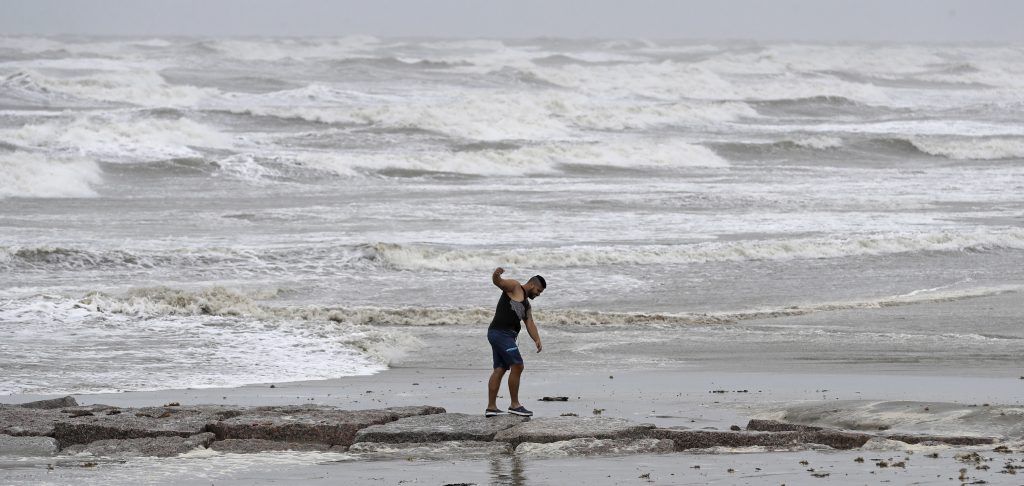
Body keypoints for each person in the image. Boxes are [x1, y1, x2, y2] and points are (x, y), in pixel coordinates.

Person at [485, 267, 546, 417]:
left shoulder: (526, 304)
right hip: (500, 333)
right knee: (518, 365)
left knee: (500, 369)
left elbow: (530, 322)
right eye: (538, 291)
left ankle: (491, 408)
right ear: (532, 285)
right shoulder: (514, 286)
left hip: (503, 335)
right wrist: (496, 274)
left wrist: (537, 339)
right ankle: (515, 405)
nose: (538, 294)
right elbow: (499, 282)